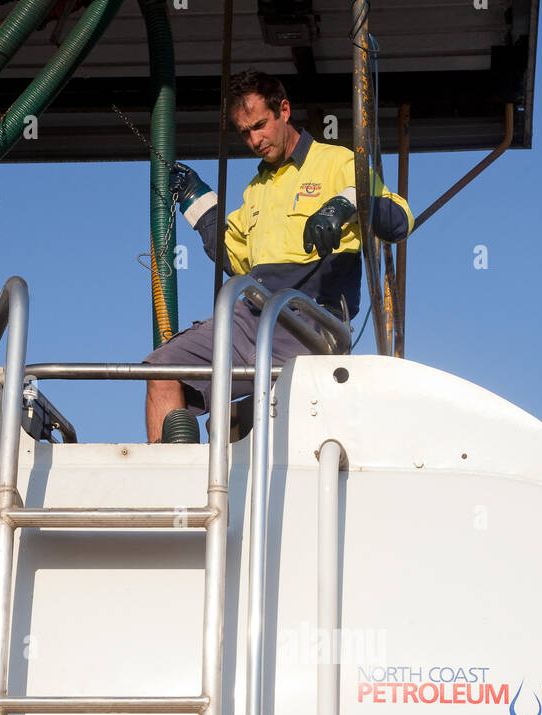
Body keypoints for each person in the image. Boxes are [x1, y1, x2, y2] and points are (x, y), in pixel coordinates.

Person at [144, 69, 413, 442]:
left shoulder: (337, 162)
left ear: (284, 110)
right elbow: (233, 258)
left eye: (260, 125)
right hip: (249, 316)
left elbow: (399, 220)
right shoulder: (256, 189)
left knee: (261, 413)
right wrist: (198, 201)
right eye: (244, 132)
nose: (254, 140)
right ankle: (169, 487)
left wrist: (342, 206)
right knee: (162, 369)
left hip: (312, 320)